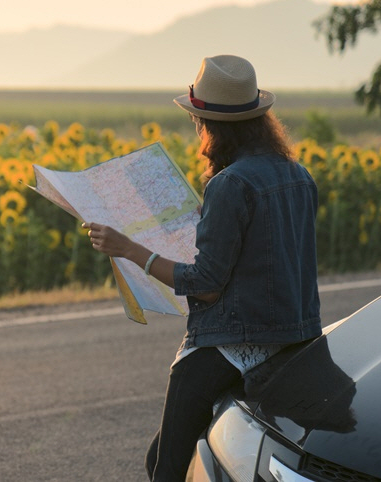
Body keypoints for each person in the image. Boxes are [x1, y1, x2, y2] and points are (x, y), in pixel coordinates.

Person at [82, 54, 321, 482]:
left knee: (165, 467)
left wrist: (129, 248)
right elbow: (272, 254)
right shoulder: (298, 175)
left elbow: (206, 285)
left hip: (229, 346)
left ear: (209, 126)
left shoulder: (231, 184)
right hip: (294, 341)